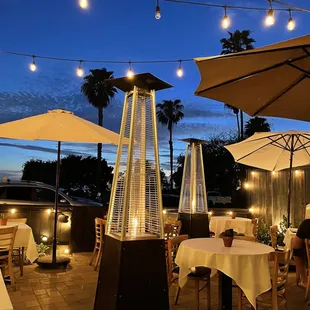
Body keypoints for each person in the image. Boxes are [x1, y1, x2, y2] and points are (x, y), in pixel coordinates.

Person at [293, 219, 310, 287]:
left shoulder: (306, 223)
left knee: (298, 255)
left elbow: (296, 246)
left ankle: (305, 280)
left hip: (306, 257)